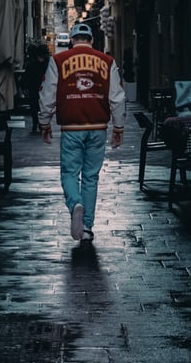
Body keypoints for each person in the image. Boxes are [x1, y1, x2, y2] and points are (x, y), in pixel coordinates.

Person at [38, 21, 126, 243]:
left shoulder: (58, 60)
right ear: (92, 40)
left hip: (71, 127)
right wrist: (118, 127)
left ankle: (74, 203)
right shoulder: (107, 61)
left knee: (69, 173)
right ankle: (86, 226)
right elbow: (117, 96)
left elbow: (47, 94)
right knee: (90, 177)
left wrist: (44, 123)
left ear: (71, 41)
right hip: (97, 128)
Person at [22, 41, 50, 134]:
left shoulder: (32, 63)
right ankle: (40, 124)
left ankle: (37, 124)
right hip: (42, 88)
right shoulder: (48, 62)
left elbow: (26, 76)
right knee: (41, 107)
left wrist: (24, 87)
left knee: (35, 107)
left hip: (35, 87)